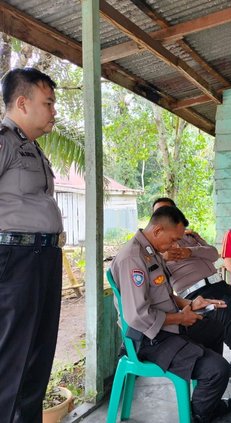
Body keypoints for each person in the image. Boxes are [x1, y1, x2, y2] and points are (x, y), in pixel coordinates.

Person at [110, 206, 231, 423]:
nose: (175, 245)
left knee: (214, 327)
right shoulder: (133, 258)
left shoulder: (150, 251)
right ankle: (200, 414)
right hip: (148, 339)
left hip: (166, 326)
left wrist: (191, 303)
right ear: (157, 230)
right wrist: (180, 318)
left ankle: (206, 398)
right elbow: (138, 316)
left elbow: (165, 294)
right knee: (218, 370)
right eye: (173, 239)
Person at [0, 68, 65, 423]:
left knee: (38, 360)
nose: (54, 111)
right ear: (22, 103)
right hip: (15, 260)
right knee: (12, 363)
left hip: (42, 259)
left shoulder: (34, 149)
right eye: (49, 103)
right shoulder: (5, 141)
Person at [152, 197, 231, 382]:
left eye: (169, 213)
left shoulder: (190, 236)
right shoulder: (154, 248)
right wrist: (162, 257)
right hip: (196, 294)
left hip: (221, 285)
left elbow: (213, 253)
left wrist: (190, 251)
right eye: (159, 214)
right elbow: (151, 280)